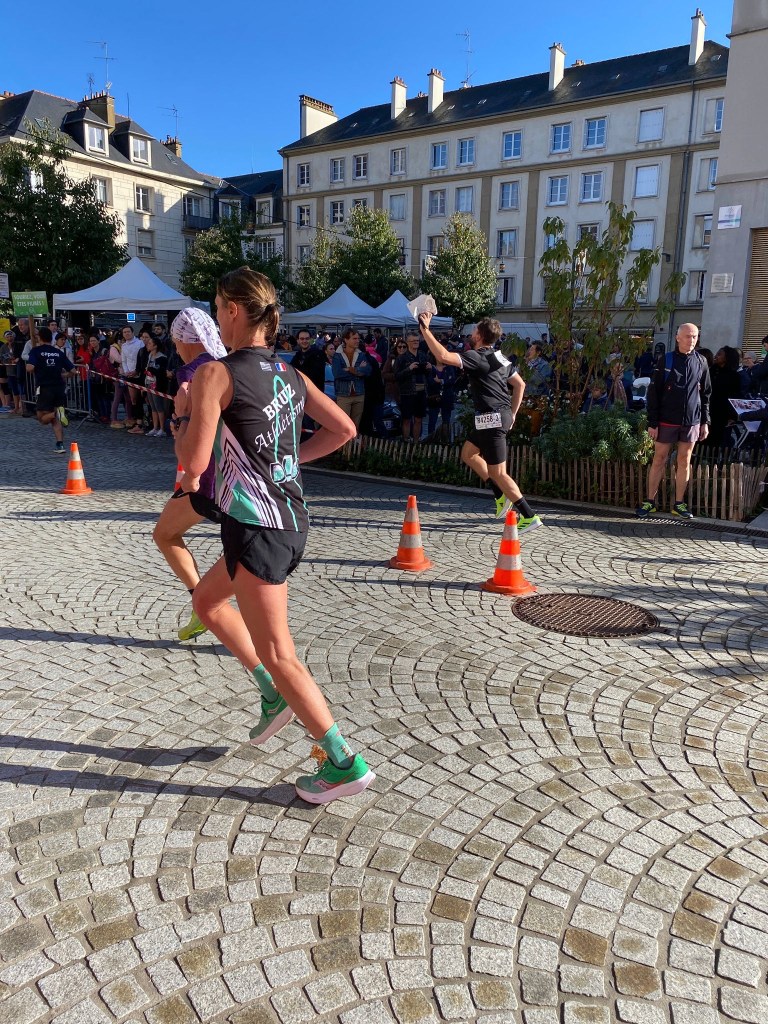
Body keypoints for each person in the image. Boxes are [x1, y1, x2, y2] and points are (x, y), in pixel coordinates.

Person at [176, 266, 374, 804]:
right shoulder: (291, 374)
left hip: (258, 528)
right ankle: (272, 695)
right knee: (207, 600)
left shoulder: (216, 374)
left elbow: (193, 467)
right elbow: (344, 429)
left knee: (282, 655)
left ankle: (343, 762)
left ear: (234, 310)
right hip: (289, 520)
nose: (217, 319)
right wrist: (289, 462)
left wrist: (184, 415)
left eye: (218, 308)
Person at [419, 312, 542, 532]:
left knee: (499, 473)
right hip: (491, 418)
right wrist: (513, 414)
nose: (472, 332)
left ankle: (529, 515)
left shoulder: (475, 357)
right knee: (468, 454)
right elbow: (520, 385)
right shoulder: (499, 357)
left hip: (492, 419)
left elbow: (443, 356)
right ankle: (500, 495)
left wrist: (425, 330)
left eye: (475, 329)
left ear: (479, 335)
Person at [152, 308, 228, 642]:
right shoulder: (228, 363)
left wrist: (181, 422)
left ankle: (203, 604)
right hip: (243, 476)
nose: (176, 347)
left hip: (208, 478)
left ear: (185, 339)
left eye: (175, 340)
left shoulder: (192, 372)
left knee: (165, 535)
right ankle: (206, 604)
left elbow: (190, 444)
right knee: (246, 563)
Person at [636, 322, 711, 520]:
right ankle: (649, 502)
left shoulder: (701, 361)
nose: (692, 340)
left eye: (695, 336)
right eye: (688, 336)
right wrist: (653, 422)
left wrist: (705, 421)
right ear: (678, 338)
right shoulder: (666, 360)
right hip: (666, 419)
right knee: (659, 459)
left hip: (691, 420)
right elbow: (654, 392)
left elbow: (706, 394)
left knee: (684, 460)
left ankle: (679, 504)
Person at [26, 325, 77, 452]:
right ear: (51, 338)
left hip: (44, 387)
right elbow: (73, 371)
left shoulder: (36, 351)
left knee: (42, 418)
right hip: (59, 387)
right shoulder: (58, 352)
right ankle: (60, 444)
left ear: (39, 338)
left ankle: (57, 413)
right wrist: (63, 375)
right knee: (55, 419)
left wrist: (32, 368)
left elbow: (30, 368)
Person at [332, 329, 371, 431]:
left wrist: (350, 369)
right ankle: (345, 442)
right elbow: (338, 374)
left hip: (359, 393)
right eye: (354, 338)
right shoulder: (337, 355)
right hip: (343, 394)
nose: (357, 341)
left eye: (358, 338)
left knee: (355, 426)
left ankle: (353, 442)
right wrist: (358, 372)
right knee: (344, 425)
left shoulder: (361, 354)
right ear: (346, 340)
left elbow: (368, 371)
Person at [395, 333, 431, 441]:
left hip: (421, 392)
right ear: (408, 342)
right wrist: (409, 369)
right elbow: (397, 376)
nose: (416, 342)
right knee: (407, 419)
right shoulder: (401, 358)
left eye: (417, 340)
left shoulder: (423, 355)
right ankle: (406, 440)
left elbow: (427, 375)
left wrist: (429, 368)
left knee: (419, 419)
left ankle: (416, 442)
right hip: (408, 392)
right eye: (413, 340)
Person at [708, 346, 742, 447]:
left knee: (717, 441)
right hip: (708, 410)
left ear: (727, 358)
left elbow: (735, 396)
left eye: (719, 354)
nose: (716, 356)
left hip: (722, 413)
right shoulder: (711, 371)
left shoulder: (734, 376)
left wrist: (732, 416)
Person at [143, 332, 170, 436]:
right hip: (149, 383)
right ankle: (155, 427)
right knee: (153, 407)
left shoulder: (162, 358)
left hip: (157, 385)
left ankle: (162, 428)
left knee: (159, 407)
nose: (147, 345)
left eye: (150, 343)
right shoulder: (149, 356)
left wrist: (152, 370)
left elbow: (161, 373)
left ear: (155, 346)